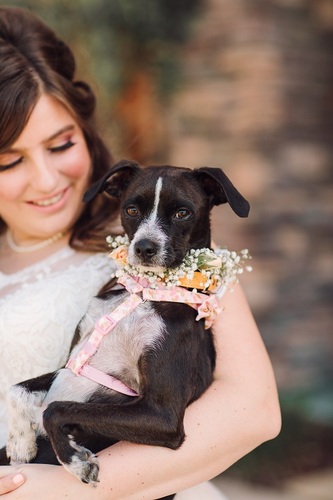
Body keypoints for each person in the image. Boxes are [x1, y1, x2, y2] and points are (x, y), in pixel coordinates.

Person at [0, 6, 281, 500]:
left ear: (85, 129)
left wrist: (67, 490)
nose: (46, 180)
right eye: (9, 160)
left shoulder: (173, 254)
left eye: (61, 144)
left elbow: (253, 411)